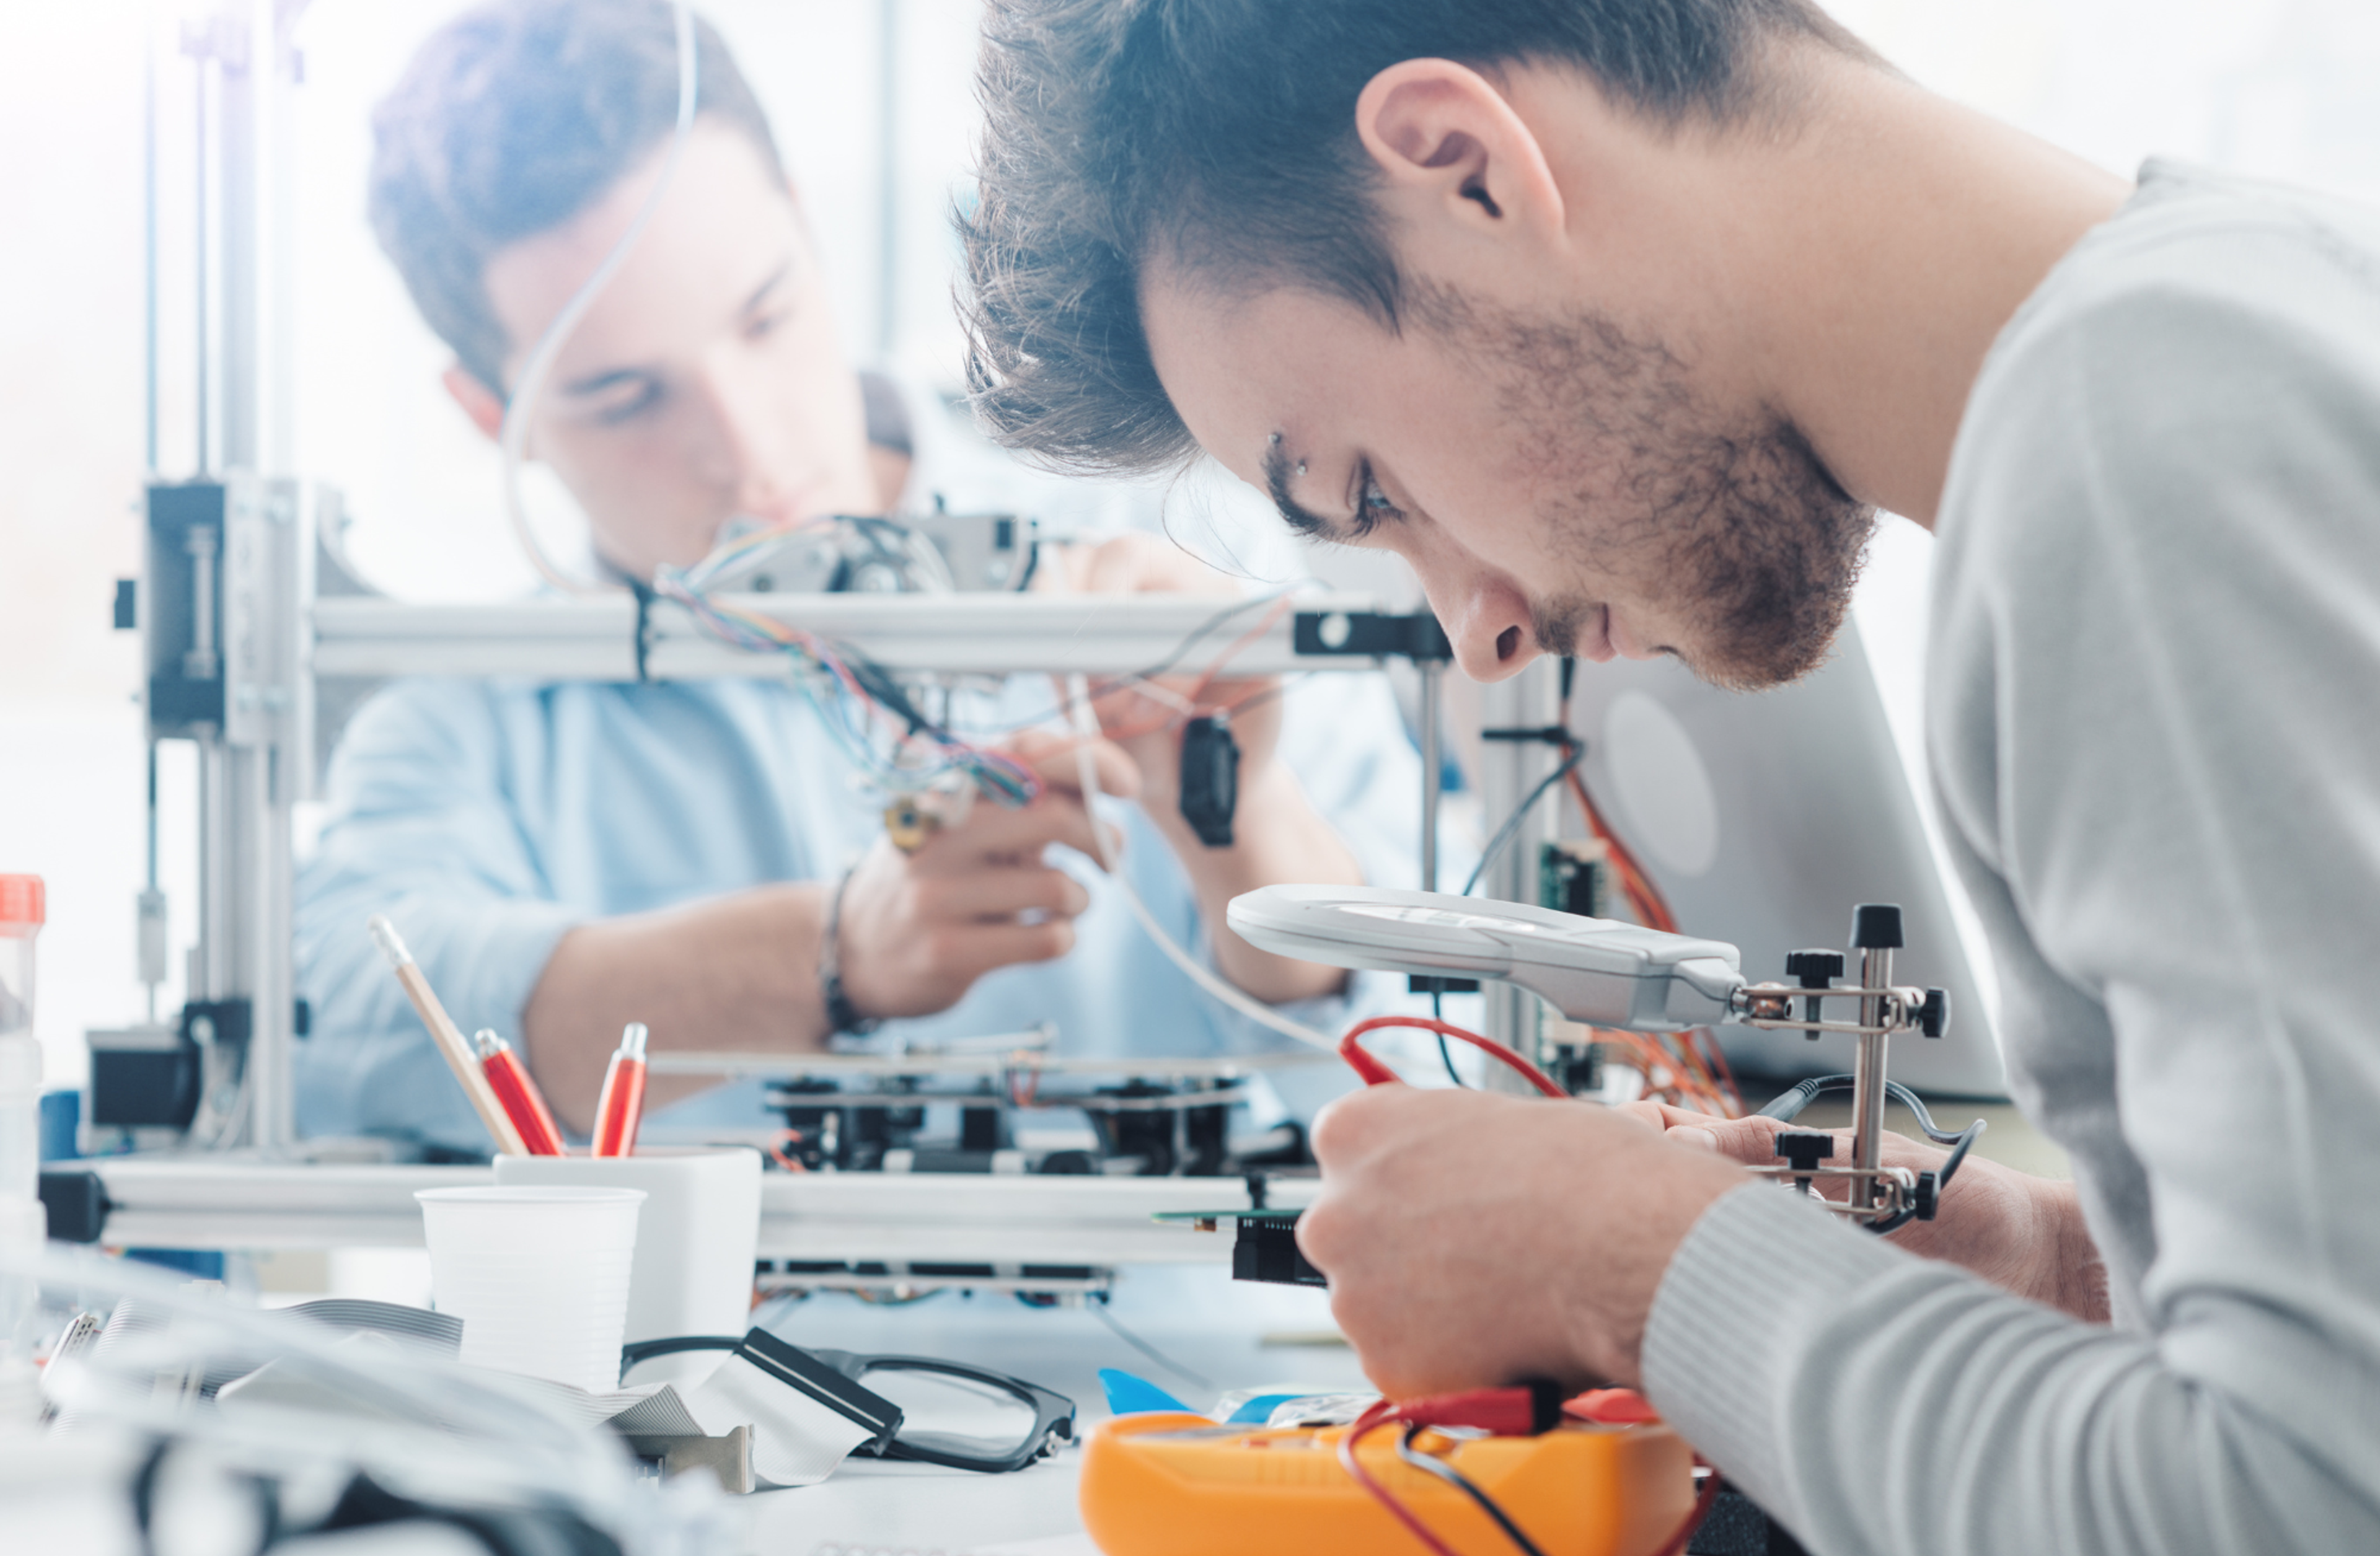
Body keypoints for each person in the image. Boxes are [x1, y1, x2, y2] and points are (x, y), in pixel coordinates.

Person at [957, 1, 2380, 1550]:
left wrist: (1643, 1270)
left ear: (1466, 167)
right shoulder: (2252, 315)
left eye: (1372, 490)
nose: (1481, 635)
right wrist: (2064, 1274)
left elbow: (2302, 1504)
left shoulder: (2141, 446)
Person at [294, 0, 1426, 1151]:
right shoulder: (470, 717)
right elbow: (340, 1035)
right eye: (626, 396)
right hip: (697, 1345)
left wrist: (1238, 819)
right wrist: (833, 951)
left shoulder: (1171, 544)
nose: (747, 446)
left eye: (765, 317)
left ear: (806, 230)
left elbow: (1457, 1046)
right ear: (491, 413)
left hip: (1168, 1336)